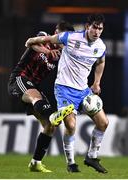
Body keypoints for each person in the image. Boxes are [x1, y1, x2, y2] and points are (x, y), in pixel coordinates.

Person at [25, 13, 109, 174]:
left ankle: (91, 157)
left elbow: (101, 61)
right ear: (87, 27)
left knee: (103, 123)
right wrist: (32, 41)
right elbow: (48, 39)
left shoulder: (101, 46)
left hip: (84, 90)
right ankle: (71, 164)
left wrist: (97, 82)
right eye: (94, 28)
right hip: (64, 89)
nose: (97, 32)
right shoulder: (70, 37)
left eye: (100, 28)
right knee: (70, 126)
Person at [8, 21, 75, 173]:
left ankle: (36, 162)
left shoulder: (62, 53)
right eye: (59, 34)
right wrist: (46, 51)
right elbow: (31, 44)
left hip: (34, 86)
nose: (59, 38)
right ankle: (53, 115)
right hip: (20, 78)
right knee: (37, 99)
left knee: (50, 126)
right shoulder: (44, 37)